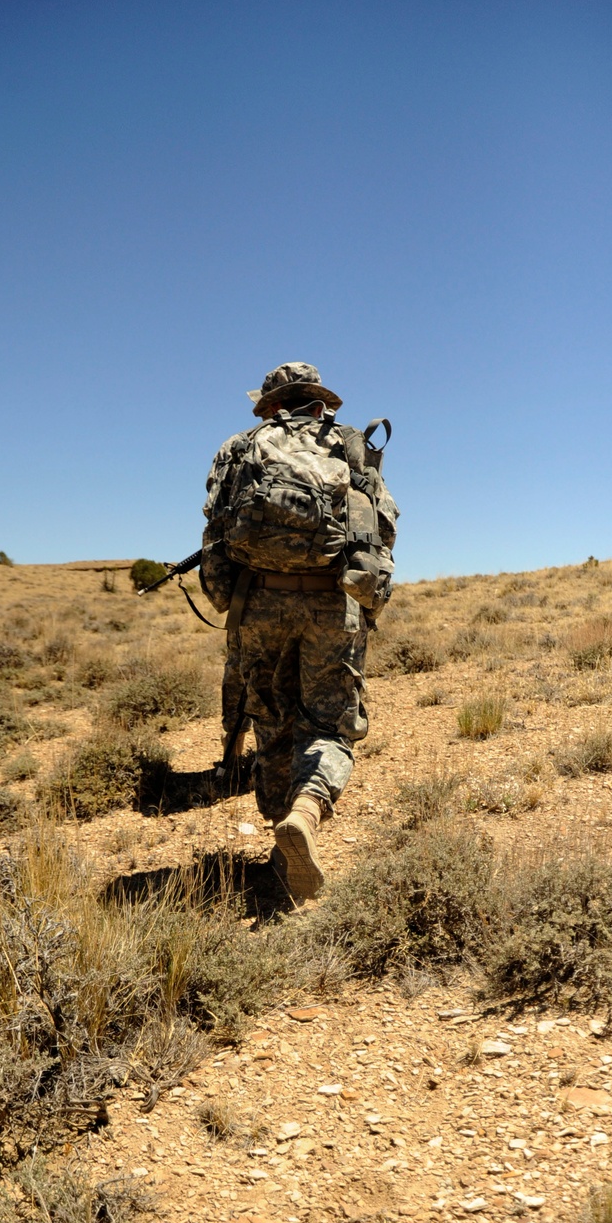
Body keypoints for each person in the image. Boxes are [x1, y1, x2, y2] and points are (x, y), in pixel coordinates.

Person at [199, 362, 398, 900]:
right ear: (319, 403)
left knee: (271, 718)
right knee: (330, 723)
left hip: (259, 601)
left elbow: (216, 535)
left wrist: (229, 607)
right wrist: (371, 603)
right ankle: (306, 812)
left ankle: (281, 843)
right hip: (332, 603)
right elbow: (380, 530)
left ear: (270, 406)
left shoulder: (239, 447)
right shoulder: (349, 448)